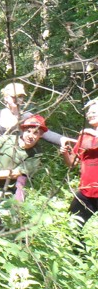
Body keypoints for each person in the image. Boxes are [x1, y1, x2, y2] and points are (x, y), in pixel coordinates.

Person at [0, 115, 46, 215]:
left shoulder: (36, 153)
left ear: (40, 135)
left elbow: (16, 174)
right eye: (28, 131)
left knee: (10, 216)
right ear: (23, 130)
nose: (30, 136)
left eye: (35, 133)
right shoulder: (5, 140)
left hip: (13, 187)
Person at [0, 82, 66, 158]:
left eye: (20, 96)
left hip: (21, 163)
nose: (17, 99)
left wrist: (63, 140)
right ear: (6, 98)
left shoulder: (28, 117)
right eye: (14, 96)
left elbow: (46, 133)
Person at [61, 99, 98, 242]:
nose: (90, 114)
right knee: (72, 226)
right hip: (86, 191)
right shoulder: (85, 136)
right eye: (89, 112)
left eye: (95, 111)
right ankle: (80, 259)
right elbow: (72, 163)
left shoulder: (89, 133)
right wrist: (65, 152)